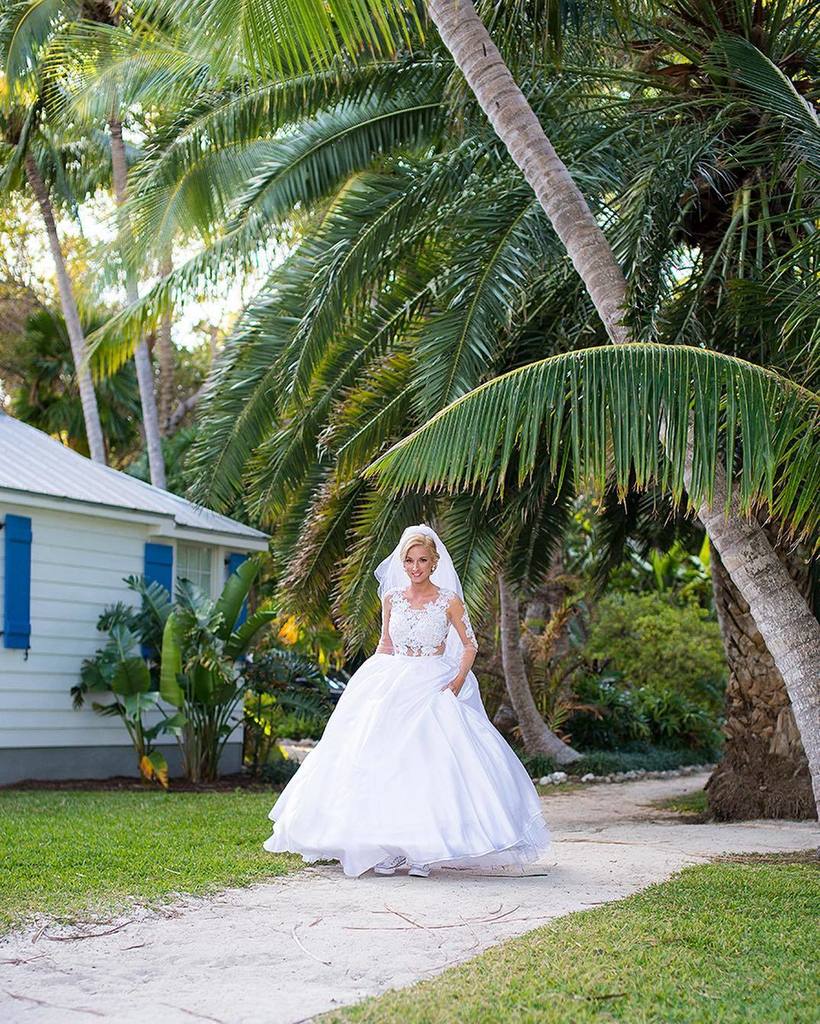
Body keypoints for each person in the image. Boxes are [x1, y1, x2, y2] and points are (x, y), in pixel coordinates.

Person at [262, 523, 551, 878]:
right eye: (410, 561)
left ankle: (423, 853)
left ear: (434, 562)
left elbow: (470, 645)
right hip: (393, 681)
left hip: (433, 683)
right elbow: (385, 643)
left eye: (423, 560)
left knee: (428, 766)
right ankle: (387, 848)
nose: (415, 567)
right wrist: (371, 680)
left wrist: (456, 682)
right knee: (382, 763)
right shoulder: (391, 598)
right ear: (403, 563)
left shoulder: (449, 601)